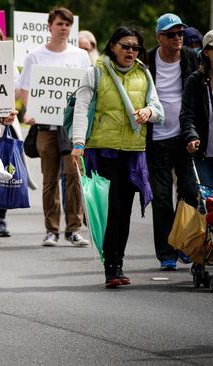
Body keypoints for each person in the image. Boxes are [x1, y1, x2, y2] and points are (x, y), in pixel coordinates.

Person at [72, 26, 164, 288]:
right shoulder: (95, 72)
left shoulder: (143, 73)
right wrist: (78, 143)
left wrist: (148, 111)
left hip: (134, 153)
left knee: (124, 212)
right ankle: (110, 267)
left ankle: (118, 263)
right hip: (103, 151)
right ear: (113, 46)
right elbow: (81, 109)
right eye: (126, 46)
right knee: (110, 209)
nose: (131, 52)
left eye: (135, 47)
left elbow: (158, 109)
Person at [19, 7, 91, 247]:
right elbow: (25, 90)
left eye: (68, 25)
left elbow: (88, 91)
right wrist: (32, 111)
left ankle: (74, 229)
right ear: (49, 26)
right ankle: (51, 230)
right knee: (49, 179)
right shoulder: (35, 56)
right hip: (45, 128)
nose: (64, 28)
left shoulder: (80, 56)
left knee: (74, 176)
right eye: (60, 24)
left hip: (72, 130)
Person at [146, 13, 199, 271]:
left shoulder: (191, 58)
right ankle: (166, 253)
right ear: (159, 37)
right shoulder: (146, 60)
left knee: (189, 191)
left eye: (180, 33)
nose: (178, 38)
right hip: (155, 139)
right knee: (162, 198)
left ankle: (186, 245)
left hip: (184, 137)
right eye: (171, 34)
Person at [181, 30, 213, 190]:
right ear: (206, 52)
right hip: (204, 155)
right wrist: (191, 137)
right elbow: (187, 115)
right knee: (208, 205)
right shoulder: (195, 80)